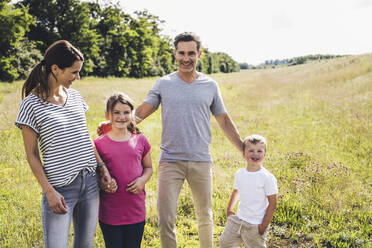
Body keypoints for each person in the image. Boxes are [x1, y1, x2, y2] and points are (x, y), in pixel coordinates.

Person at [133, 32, 243, 248]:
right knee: (165, 219)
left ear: (199, 54)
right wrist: (118, 125)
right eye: (181, 53)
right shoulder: (164, 84)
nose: (186, 58)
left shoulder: (210, 86)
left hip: (201, 160)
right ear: (175, 54)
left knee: (205, 216)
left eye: (191, 53)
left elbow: (223, 119)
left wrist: (243, 149)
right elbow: (145, 109)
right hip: (170, 161)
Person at [15, 40, 114, 248]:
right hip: (60, 189)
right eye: (74, 72)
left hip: (89, 183)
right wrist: (49, 191)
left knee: (84, 245)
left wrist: (101, 166)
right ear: (55, 69)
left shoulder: (75, 97)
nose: (77, 77)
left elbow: (84, 136)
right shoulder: (31, 105)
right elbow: (31, 154)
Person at [94, 92, 153, 248]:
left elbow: (148, 168)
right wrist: (103, 184)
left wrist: (142, 180)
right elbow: (96, 174)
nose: (122, 116)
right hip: (110, 213)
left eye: (126, 112)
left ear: (132, 114)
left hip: (135, 211)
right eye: (116, 112)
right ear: (108, 115)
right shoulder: (98, 144)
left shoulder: (140, 139)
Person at [219, 134, 278, 248]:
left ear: (264, 154)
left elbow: (272, 203)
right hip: (238, 220)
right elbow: (236, 191)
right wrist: (229, 209)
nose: (255, 154)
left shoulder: (267, 177)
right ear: (244, 154)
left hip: (255, 224)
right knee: (224, 243)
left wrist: (263, 226)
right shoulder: (240, 173)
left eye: (259, 151)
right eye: (251, 150)